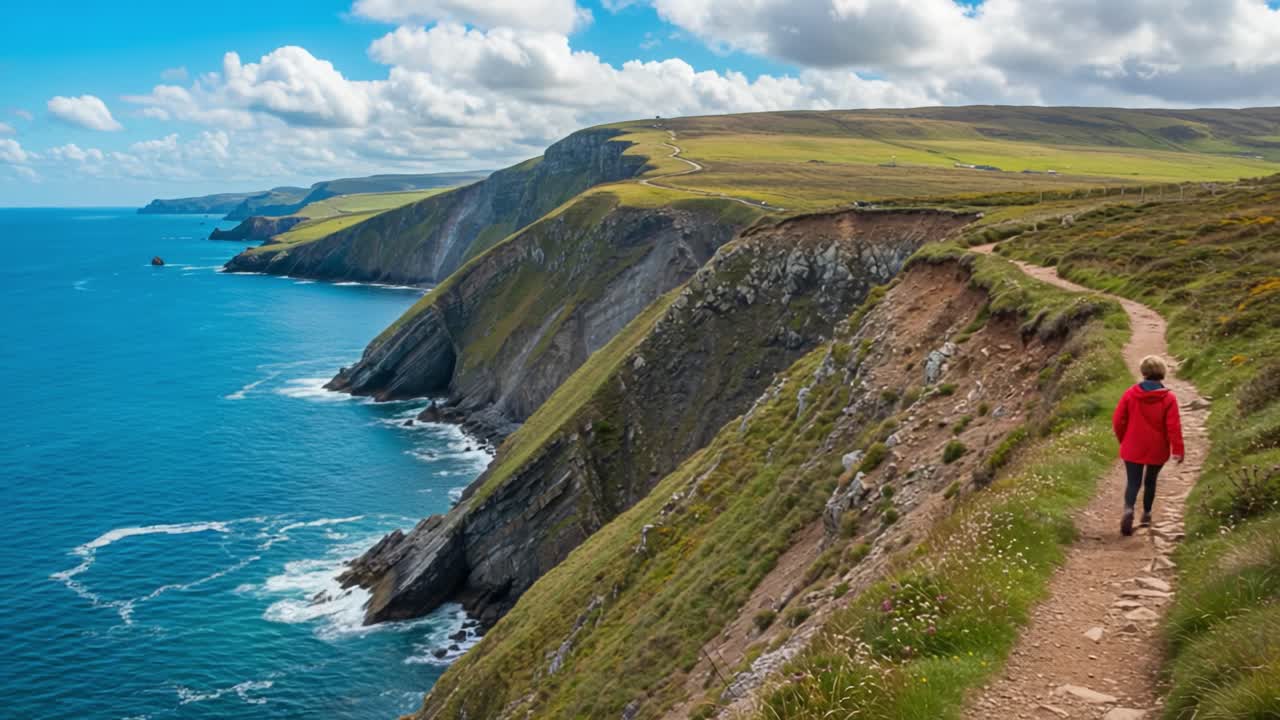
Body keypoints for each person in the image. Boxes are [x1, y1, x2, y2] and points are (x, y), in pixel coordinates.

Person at [1112, 355, 1185, 536]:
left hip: (1133, 445)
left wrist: (1124, 439)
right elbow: (1173, 427)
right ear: (1162, 373)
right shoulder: (1168, 398)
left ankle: (1128, 510)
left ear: (1143, 372)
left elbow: (1118, 420)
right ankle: (1146, 514)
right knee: (1150, 481)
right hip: (1157, 447)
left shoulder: (1130, 394)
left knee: (1133, 481)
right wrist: (1178, 450)